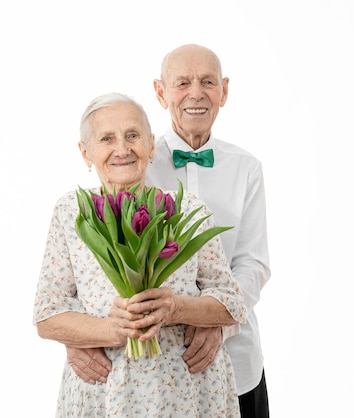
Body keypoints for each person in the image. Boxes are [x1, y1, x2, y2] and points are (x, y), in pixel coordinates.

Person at [67, 44, 272, 417]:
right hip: (148, 372)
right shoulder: (130, 158)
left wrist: (213, 321)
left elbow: (252, 264)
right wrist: (79, 335)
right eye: (182, 83)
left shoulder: (247, 168)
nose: (196, 93)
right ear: (161, 92)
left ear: (223, 91)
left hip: (236, 356)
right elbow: (89, 261)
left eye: (208, 82)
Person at [33, 92, 247, 417]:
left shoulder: (186, 209)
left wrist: (176, 308)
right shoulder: (71, 212)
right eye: (107, 138)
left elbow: (233, 303)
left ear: (150, 145)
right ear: (86, 152)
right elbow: (47, 315)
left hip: (186, 391)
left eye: (132, 135)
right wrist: (111, 330)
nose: (122, 149)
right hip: (103, 393)